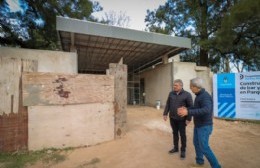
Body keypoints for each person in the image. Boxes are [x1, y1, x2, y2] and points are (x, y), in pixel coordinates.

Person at [177, 77, 221, 168]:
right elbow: (197, 108)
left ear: (196, 87)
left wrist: (188, 112)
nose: (190, 88)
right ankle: (199, 162)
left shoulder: (205, 96)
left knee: (204, 147)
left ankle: (216, 166)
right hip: (198, 125)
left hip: (204, 126)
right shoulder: (198, 96)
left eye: (191, 86)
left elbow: (206, 109)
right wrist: (187, 109)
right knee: (196, 143)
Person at [163, 79, 193, 159]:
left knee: (182, 134)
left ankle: (183, 150)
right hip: (172, 118)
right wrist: (165, 113)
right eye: (174, 85)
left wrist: (189, 118)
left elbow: (190, 107)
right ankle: (176, 148)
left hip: (182, 119)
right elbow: (168, 104)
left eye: (176, 85)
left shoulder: (187, 94)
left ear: (181, 86)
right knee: (174, 133)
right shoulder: (171, 93)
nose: (174, 87)